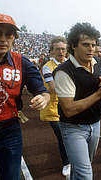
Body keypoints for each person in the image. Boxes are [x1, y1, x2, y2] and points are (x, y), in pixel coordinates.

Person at [0, 13, 50, 179]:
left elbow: (43, 91)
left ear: (14, 38)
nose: (3, 39)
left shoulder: (22, 62)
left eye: (9, 34)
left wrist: (43, 98)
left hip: (9, 132)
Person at [53, 22, 101, 180]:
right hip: (73, 128)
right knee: (85, 175)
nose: (91, 48)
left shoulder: (98, 63)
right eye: (86, 44)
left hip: (95, 124)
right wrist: (99, 94)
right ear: (73, 45)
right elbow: (69, 109)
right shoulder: (63, 72)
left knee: (82, 169)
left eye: (93, 44)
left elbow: (96, 85)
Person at [39, 36, 70, 176]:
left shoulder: (70, 64)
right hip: (53, 108)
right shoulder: (47, 67)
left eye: (63, 49)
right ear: (51, 51)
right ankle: (66, 163)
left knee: (71, 135)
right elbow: (53, 88)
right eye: (57, 49)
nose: (61, 52)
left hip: (69, 105)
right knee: (62, 136)